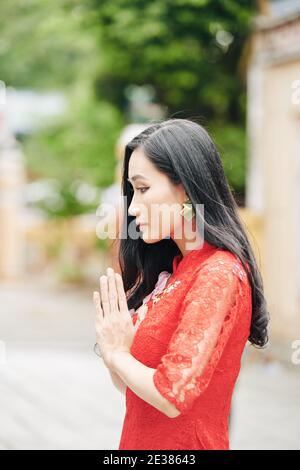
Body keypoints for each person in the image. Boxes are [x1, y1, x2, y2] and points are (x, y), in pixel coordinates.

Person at [93, 118, 270, 450]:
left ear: (185, 188)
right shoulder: (170, 273)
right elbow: (133, 391)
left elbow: (171, 394)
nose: (132, 207)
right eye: (132, 191)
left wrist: (119, 353)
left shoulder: (219, 273)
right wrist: (114, 348)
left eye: (143, 189)